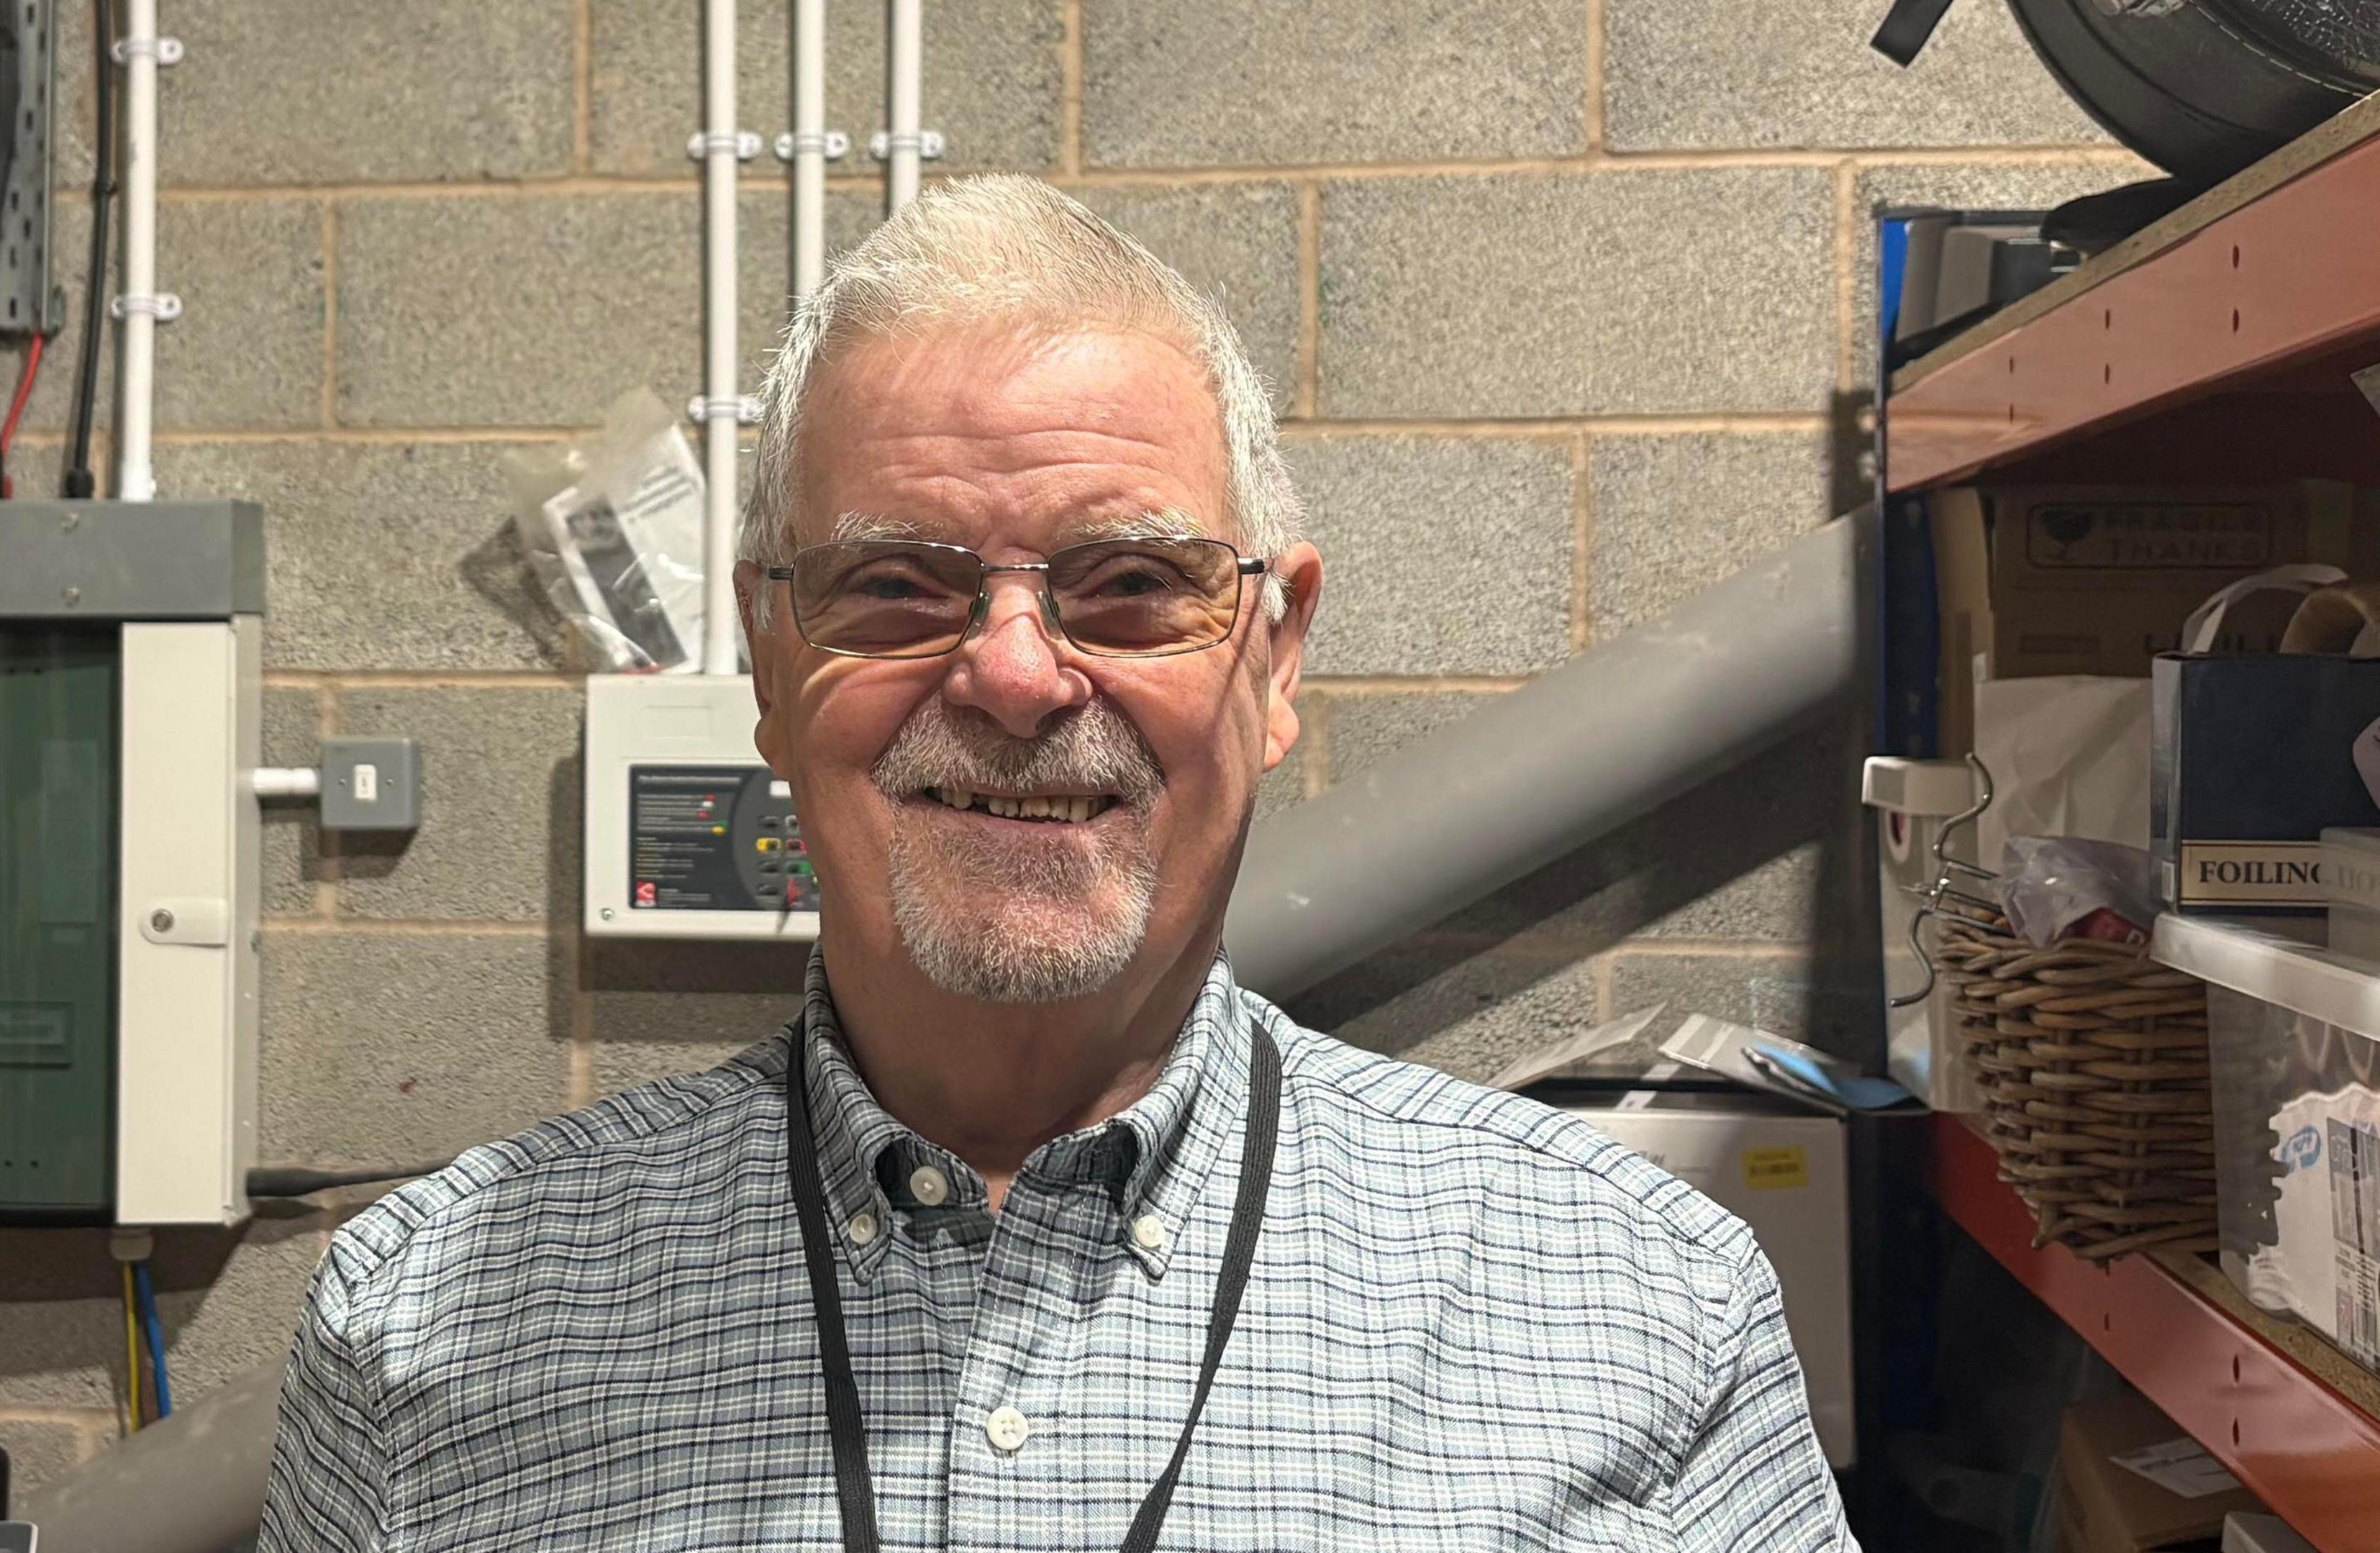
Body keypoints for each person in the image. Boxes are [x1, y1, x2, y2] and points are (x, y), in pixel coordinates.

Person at [259, 174, 1857, 1552]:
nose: (1016, 676)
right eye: (891, 581)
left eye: (1132, 581)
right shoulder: (424, 1319)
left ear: (1277, 653)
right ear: (765, 654)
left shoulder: (1638, 1302)